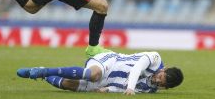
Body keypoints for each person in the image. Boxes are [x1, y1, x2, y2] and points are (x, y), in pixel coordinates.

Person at [17, 51, 184, 95]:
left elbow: (121, 89)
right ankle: (45, 71)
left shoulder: (149, 89)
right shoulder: (155, 59)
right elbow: (137, 67)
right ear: (164, 68)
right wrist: (131, 88)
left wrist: (109, 90)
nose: (157, 80)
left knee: (69, 85)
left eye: (161, 84)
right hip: (110, 62)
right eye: (161, 77)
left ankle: (43, 73)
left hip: (107, 82)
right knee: (93, 74)